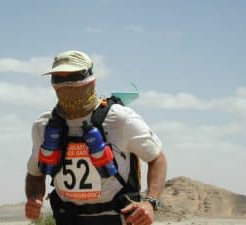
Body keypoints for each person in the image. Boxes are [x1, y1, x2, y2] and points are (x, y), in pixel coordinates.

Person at [25, 50, 167, 225]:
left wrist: (150, 202)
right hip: (67, 219)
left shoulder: (121, 119)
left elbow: (157, 158)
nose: (66, 84)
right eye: (58, 78)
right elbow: (35, 174)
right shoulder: (43, 125)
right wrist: (34, 197)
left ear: (92, 80)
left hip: (118, 218)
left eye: (74, 77)